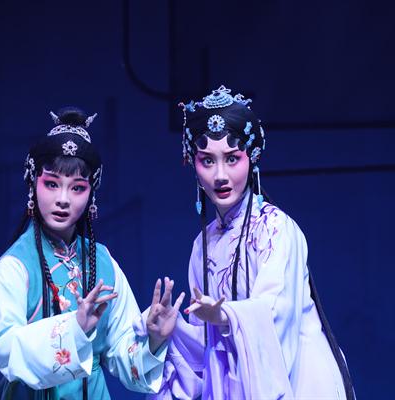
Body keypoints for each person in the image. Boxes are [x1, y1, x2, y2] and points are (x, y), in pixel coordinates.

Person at [152, 86, 355, 399]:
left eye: (232, 159)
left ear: (252, 159)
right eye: (207, 161)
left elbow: (275, 316)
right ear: (193, 164)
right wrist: (173, 329)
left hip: (301, 382)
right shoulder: (202, 245)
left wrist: (226, 316)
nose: (220, 175)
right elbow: (207, 350)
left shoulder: (277, 229)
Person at [0, 107, 184, 399]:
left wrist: (154, 339)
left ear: (91, 195)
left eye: (77, 188)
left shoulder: (102, 262)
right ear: (33, 185)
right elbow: (6, 350)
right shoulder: (15, 267)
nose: (63, 199)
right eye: (51, 184)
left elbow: (120, 353)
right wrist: (74, 329)